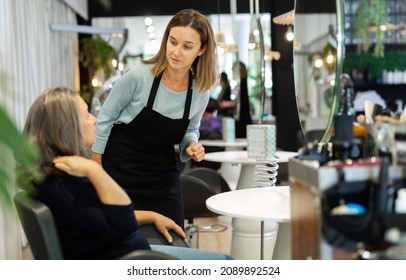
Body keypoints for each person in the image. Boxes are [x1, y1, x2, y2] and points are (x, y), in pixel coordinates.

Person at [23, 86, 232, 260]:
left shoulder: (56, 178)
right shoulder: (64, 182)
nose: (94, 119)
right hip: (134, 260)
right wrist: (94, 169)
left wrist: (151, 215)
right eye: (86, 114)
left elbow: (103, 216)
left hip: (133, 254)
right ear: (66, 128)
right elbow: (122, 220)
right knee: (227, 264)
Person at [91, 9, 218, 228]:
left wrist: (191, 144)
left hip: (162, 176)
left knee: (174, 238)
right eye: (173, 41)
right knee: (122, 238)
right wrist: (96, 168)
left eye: (187, 46)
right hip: (119, 170)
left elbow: (191, 129)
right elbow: (105, 118)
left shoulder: (200, 91)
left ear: (202, 49)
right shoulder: (139, 75)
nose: (176, 52)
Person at [235, 62, 253, 138]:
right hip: (243, 115)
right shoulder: (241, 82)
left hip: (243, 116)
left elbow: (244, 100)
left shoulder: (243, 82)